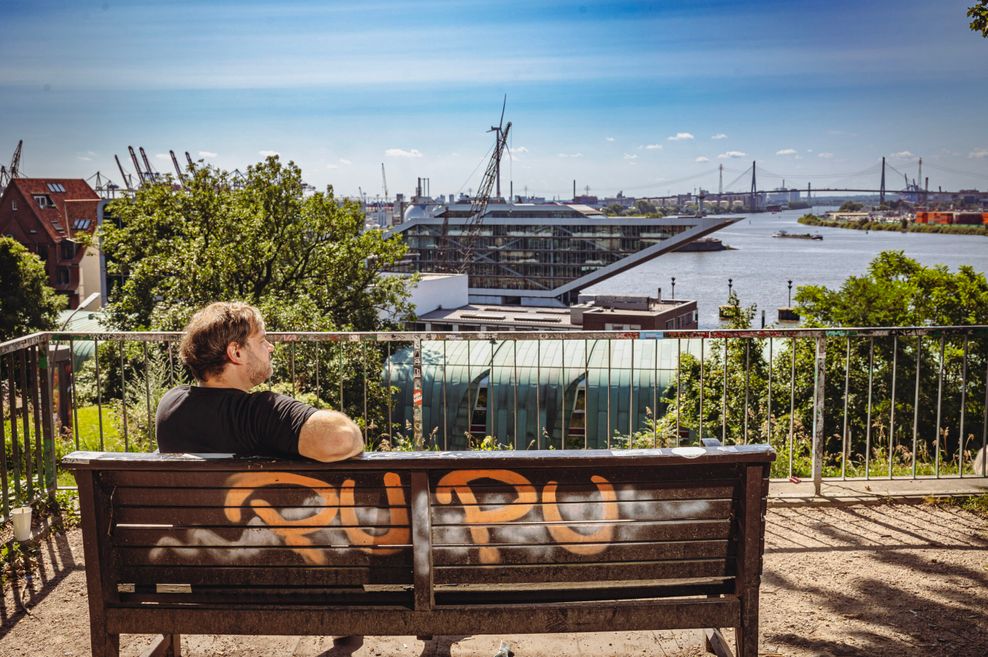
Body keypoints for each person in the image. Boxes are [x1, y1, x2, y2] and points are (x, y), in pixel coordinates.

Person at [156, 302, 364, 461]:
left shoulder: (170, 404)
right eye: (262, 340)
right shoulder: (259, 414)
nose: (270, 347)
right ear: (236, 352)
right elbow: (342, 439)